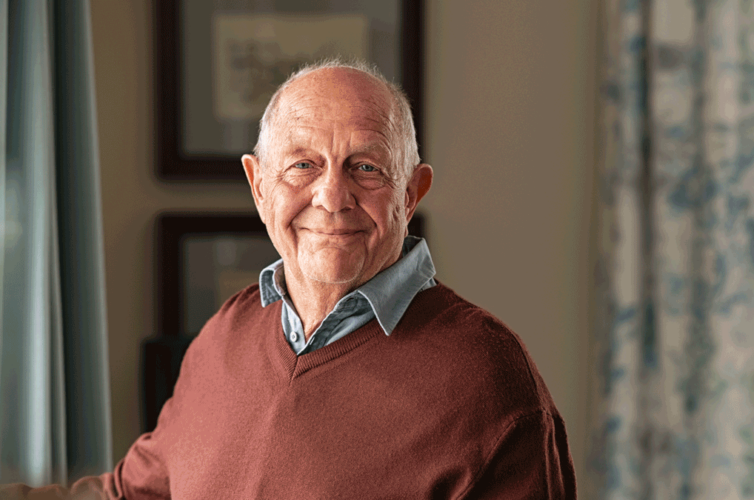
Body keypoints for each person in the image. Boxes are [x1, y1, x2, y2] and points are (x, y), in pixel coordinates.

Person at [2, 60, 576, 499]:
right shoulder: (226, 333)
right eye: (303, 165)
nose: (332, 198)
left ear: (411, 192)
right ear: (258, 185)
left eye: (366, 167)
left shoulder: (489, 378)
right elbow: (129, 494)